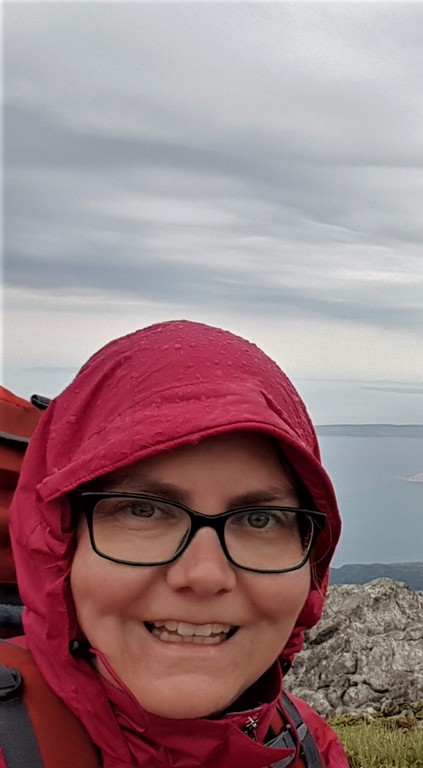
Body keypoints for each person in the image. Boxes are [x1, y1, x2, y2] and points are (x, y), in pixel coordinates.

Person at [5, 320, 349, 767]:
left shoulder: (308, 747)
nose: (204, 575)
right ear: (60, 542)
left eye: (259, 519)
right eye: (144, 510)